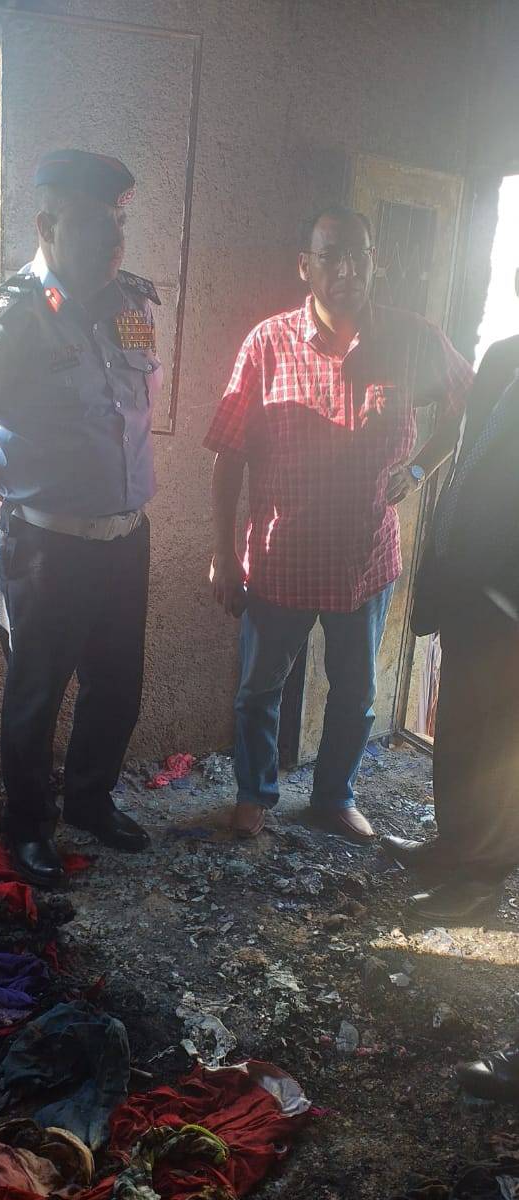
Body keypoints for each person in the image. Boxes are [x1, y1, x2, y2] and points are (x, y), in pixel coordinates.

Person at [205, 205, 472, 841]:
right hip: (281, 561)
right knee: (258, 690)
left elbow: (468, 403)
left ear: (376, 262)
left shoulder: (411, 337)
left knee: (355, 695)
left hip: (364, 561)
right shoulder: (268, 344)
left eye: (358, 255)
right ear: (306, 266)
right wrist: (224, 553)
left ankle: (334, 797)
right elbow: (228, 456)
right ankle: (255, 794)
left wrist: (419, 470)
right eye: (331, 256)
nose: (347, 270)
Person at [0, 149, 163, 886]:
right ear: (47, 225)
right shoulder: (7, 319)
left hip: (126, 539)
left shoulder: (132, 307)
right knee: (35, 696)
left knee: (116, 686)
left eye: (119, 220)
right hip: (47, 548)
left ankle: (91, 801)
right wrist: (22, 497)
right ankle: (28, 828)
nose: (114, 237)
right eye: (95, 221)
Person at [381, 318, 519, 924]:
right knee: (461, 727)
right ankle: (455, 845)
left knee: (504, 745)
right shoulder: (502, 356)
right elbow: (468, 459)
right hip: (469, 587)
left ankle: (482, 883)